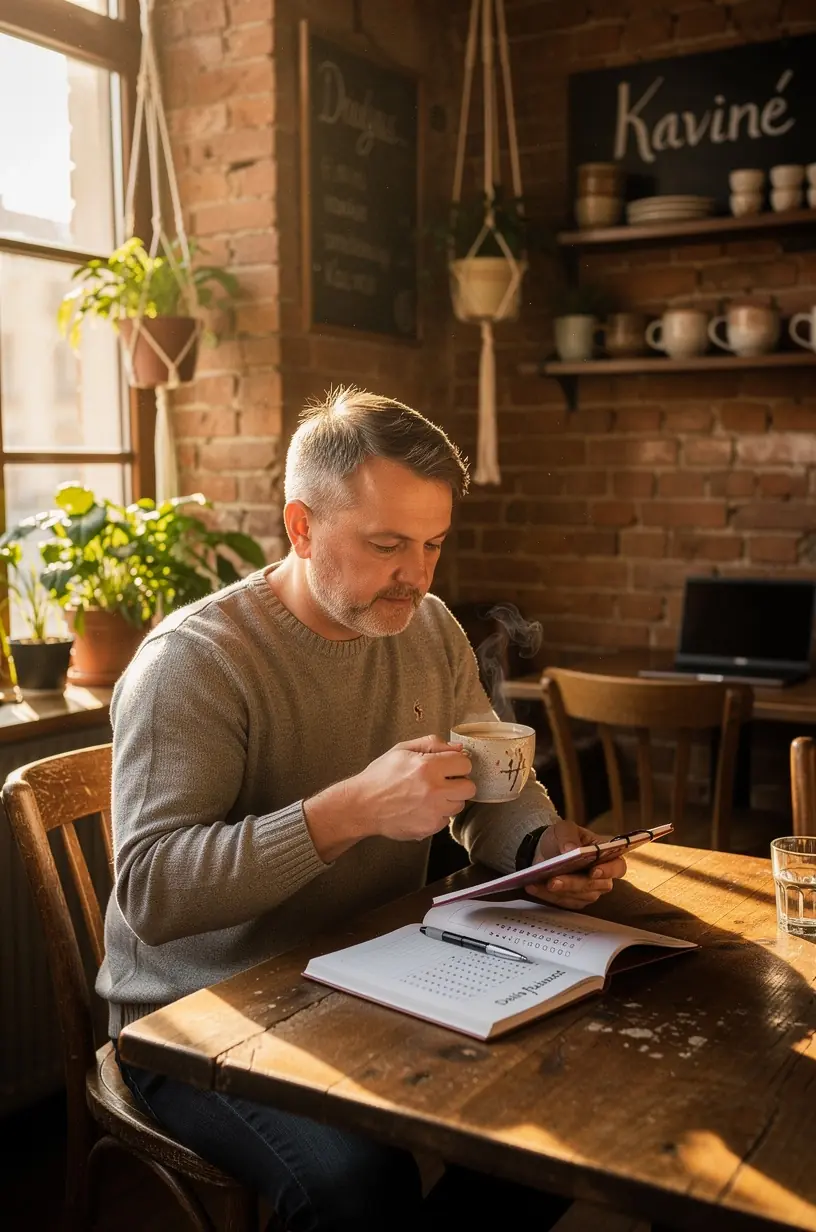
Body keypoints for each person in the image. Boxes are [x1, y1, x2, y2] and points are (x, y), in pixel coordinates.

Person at [103, 388, 627, 1231]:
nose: (417, 575)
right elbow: (155, 896)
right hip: (193, 1011)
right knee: (359, 1184)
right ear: (302, 527)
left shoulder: (427, 628)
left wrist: (538, 844)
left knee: (564, 1114)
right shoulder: (195, 662)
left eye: (432, 545)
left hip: (365, 968)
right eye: (387, 545)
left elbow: (491, 781)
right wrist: (344, 812)